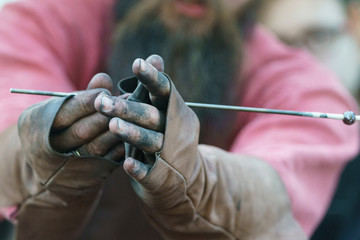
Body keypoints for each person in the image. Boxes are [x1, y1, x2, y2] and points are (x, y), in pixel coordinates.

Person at [0, 0, 358, 239]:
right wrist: (49, 139)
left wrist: (195, 179)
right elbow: (8, 137)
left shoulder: (304, 88)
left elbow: (270, 193)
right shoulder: (42, 17)